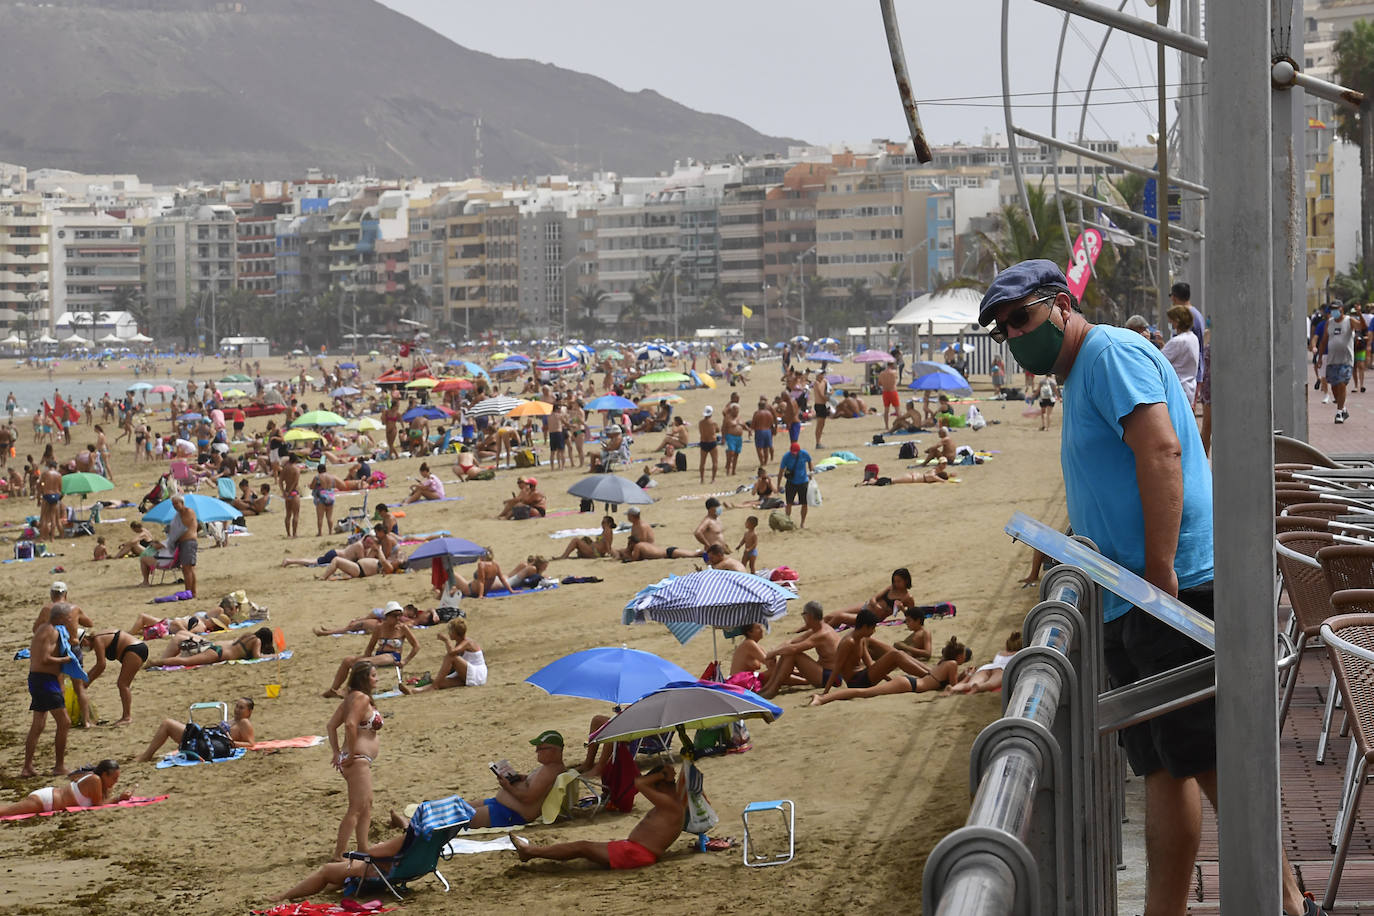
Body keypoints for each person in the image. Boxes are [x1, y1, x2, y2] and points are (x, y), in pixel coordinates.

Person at [978, 259, 1314, 916]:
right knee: (1167, 766)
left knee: (1215, 761)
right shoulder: (1080, 376)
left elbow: (1160, 450)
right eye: (1003, 328)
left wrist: (1160, 574)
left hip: (1171, 589)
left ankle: (1289, 906)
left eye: (1022, 317)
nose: (1015, 335)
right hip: (1131, 595)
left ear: (1062, 304)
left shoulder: (1106, 353)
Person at [510, 761, 687, 870]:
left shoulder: (671, 804)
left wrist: (660, 774)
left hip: (635, 854)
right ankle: (532, 852)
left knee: (582, 847)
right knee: (584, 847)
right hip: (632, 851)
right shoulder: (673, 803)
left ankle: (530, 852)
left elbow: (639, 783)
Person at [807, 636, 970, 706]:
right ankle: (821, 699)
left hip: (910, 683)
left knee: (863, 692)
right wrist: (968, 677)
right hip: (909, 685)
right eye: (964, 655)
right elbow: (953, 687)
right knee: (863, 692)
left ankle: (822, 698)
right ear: (958, 656)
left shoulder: (945, 663)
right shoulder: (952, 665)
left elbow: (945, 680)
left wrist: (965, 675)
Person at [327, 661, 382, 860]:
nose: (377, 679)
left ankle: (363, 846)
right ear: (364, 678)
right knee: (357, 807)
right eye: (374, 675)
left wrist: (336, 753)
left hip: (356, 758)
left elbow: (331, 726)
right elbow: (350, 725)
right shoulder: (361, 698)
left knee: (366, 804)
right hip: (357, 760)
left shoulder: (350, 698)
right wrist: (349, 755)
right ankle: (338, 853)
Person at [462, 729, 567, 829]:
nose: (536, 751)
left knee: (458, 818)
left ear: (554, 750)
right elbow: (538, 786)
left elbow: (528, 799)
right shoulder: (550, 767)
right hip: (501, 806)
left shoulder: (549, 772)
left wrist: (507, 786)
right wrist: (523, 778)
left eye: (540, 748)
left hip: (509, 813)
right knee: (458, 807)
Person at [322, 603, 418, 698]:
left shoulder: (402, 628)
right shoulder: (380, 628)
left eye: (399, 615)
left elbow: (416, 646)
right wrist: (366, 656)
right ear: (387, 616)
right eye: (394, 615)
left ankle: (347, 690)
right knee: (347, 660)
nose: (398, 618)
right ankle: (333, 689)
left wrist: (405, 661)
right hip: (378, 655)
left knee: (361, 662)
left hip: (392, 656)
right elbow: (371, 646)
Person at [22, 604, 74, 777]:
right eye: (68, 618)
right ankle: (59, 766)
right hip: (44, 681)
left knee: (38, 724)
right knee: (64, 722)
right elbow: (44, 658)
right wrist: (66, 659)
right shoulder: (50, 631)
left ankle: (27, 767)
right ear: (59, 618)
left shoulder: (45, 629)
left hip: (40, 680)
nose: (70, 620)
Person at [758, 601, 841, 699]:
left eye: (803, 614)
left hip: (832, 678)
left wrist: (774, 653)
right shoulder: (817, 629)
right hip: (825, 672)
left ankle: (773, 688)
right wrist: (773, 653)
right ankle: (769, 687)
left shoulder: (822, 634)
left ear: (809, 616)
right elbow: (791, 642)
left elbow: (794, 648)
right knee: (788, 652)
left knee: (793, 654)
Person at [136, 697, 256, 761]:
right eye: (237, 706)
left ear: (249, 711)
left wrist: (232, 743)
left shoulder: (244, 722)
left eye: (241, 708)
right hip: (206, 741)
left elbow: (251, 744)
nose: (237, 710)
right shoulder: (234, 720)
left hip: (208, 744)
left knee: (167, 724)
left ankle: (147, 755)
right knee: (170, 725)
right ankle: (147, 755)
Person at [0, 759, 128, 816]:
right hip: (46, 800)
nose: (116, 782)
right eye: (114, 778)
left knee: (8, 810)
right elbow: (98, 805)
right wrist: (119, 798)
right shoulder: (95, 780)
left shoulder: (98, 782)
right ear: (105, 774)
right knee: (7, 811)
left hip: (50, 799)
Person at [81, 629, 149, 726]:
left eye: (81, 646)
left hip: (134, 649)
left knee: (123, 684)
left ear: (84, 640)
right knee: (123, 684)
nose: (83, 648)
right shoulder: (99, 636)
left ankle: (127, 717)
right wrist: (86, 679)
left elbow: (101, 665)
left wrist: (86, 682)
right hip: (136, 648)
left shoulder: (97, 640)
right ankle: (126, 716)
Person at [400, 618, 486, 692]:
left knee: (450, 657)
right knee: (441, 682)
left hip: (477, 675)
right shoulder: (459, 643)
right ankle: (414, 691)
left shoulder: (467, 642)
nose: (449, 633)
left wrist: (446, 640)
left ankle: (433, 687)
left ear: (455, 632)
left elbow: (451, 653)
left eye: (450, 631)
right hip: (467, 673)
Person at [948, 632, 1024, 695]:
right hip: (1002, 669)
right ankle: (979, 687)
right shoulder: (1019, 654)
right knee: (990, 683)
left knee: (969, 684)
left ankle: (953, 689)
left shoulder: (1000, 653)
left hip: (987, 667)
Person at [1321, 302, 1357, 424]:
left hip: (1346, 360)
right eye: (1332, 309)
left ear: (1341, 309)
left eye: (1336, 309)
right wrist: (1319, 357)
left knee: (1341, 384)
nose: (1333, 311)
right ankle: (1343, 409)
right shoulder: (1329, 322)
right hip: (1332, 360)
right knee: (1334, 387)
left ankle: (1339, 412)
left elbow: (1362, 327)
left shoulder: (1349, 320)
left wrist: (1359, 314)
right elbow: (1324, 340)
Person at [1160, 305, 1200, 405]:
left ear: (1177, 321)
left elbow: (1159, 360)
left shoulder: (1178, 341)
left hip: (1177, 391)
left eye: (1171, 321)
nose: (1170, 324)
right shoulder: (1193, 338)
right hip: (1189, 390)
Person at [447, 548, 513, 598]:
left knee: (452, 573)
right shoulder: (495, 564)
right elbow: (502, 579)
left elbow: (482, 581)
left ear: (481, 557)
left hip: (470, 590)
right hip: (481, 591)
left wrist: (480, 595)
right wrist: (511, 590)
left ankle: (443, 591)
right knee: (456, 584)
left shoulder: (481, 564)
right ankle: (451, 590)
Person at [777, 441, 813, 528]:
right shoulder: (786, 457)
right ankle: (788, 521)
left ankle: (802, 523)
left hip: (803, 482)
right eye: (793, 453)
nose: (794, 454)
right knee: (789, 503)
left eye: (796, 453)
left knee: (804, 503)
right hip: (791, 482)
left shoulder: (804, 454)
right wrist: (778, 485)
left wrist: (811, 473)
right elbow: (781, 471)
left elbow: (810, 461)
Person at [310, 462, 345, 536]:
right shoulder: (331, 477)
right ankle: (330, 532)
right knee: (329, 517)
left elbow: (312, 486)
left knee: (320, 517)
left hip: (321, 497)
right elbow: (336, 485)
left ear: (318, 470)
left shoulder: (317, 477)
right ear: (325, 469)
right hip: (330, 496)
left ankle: (320, 532)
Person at [279, 452, 303, 538]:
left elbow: (280, 481)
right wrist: (289, 491)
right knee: (296, 514)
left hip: (286, 493)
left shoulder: (285, 468)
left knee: (288, 515)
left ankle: (288, 534)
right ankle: (294, 533)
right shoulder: (296, 469)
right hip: (294, 493)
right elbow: (295, 482)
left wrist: (284, 492)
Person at [696, 405, 720, 484]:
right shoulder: (713, 423)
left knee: (702, 462)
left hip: (703, 442)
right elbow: (717, 430)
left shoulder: (700, 423)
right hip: (712, 442)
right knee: (715, 462)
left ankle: (702, 479)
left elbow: (701, 431)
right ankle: (713, 479)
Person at [750, 397, 776, 467]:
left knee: (759, 448)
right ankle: (765, 462)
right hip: (768, 431)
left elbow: (753, 423)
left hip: (760, 431)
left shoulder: (757, 413)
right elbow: (772, 423)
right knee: (766, 448)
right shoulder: (769, 413)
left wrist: (751, 430)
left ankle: (762, 462)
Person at [878, 362, 900, 429]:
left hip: (885, 392)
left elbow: (879, 383)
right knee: (897, 410)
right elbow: (896, 380)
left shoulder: (882, 373)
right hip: (893, 391)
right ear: (892, 365)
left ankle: (886, 426)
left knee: (886, 410)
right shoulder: (894, 372)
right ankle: (899, 425)